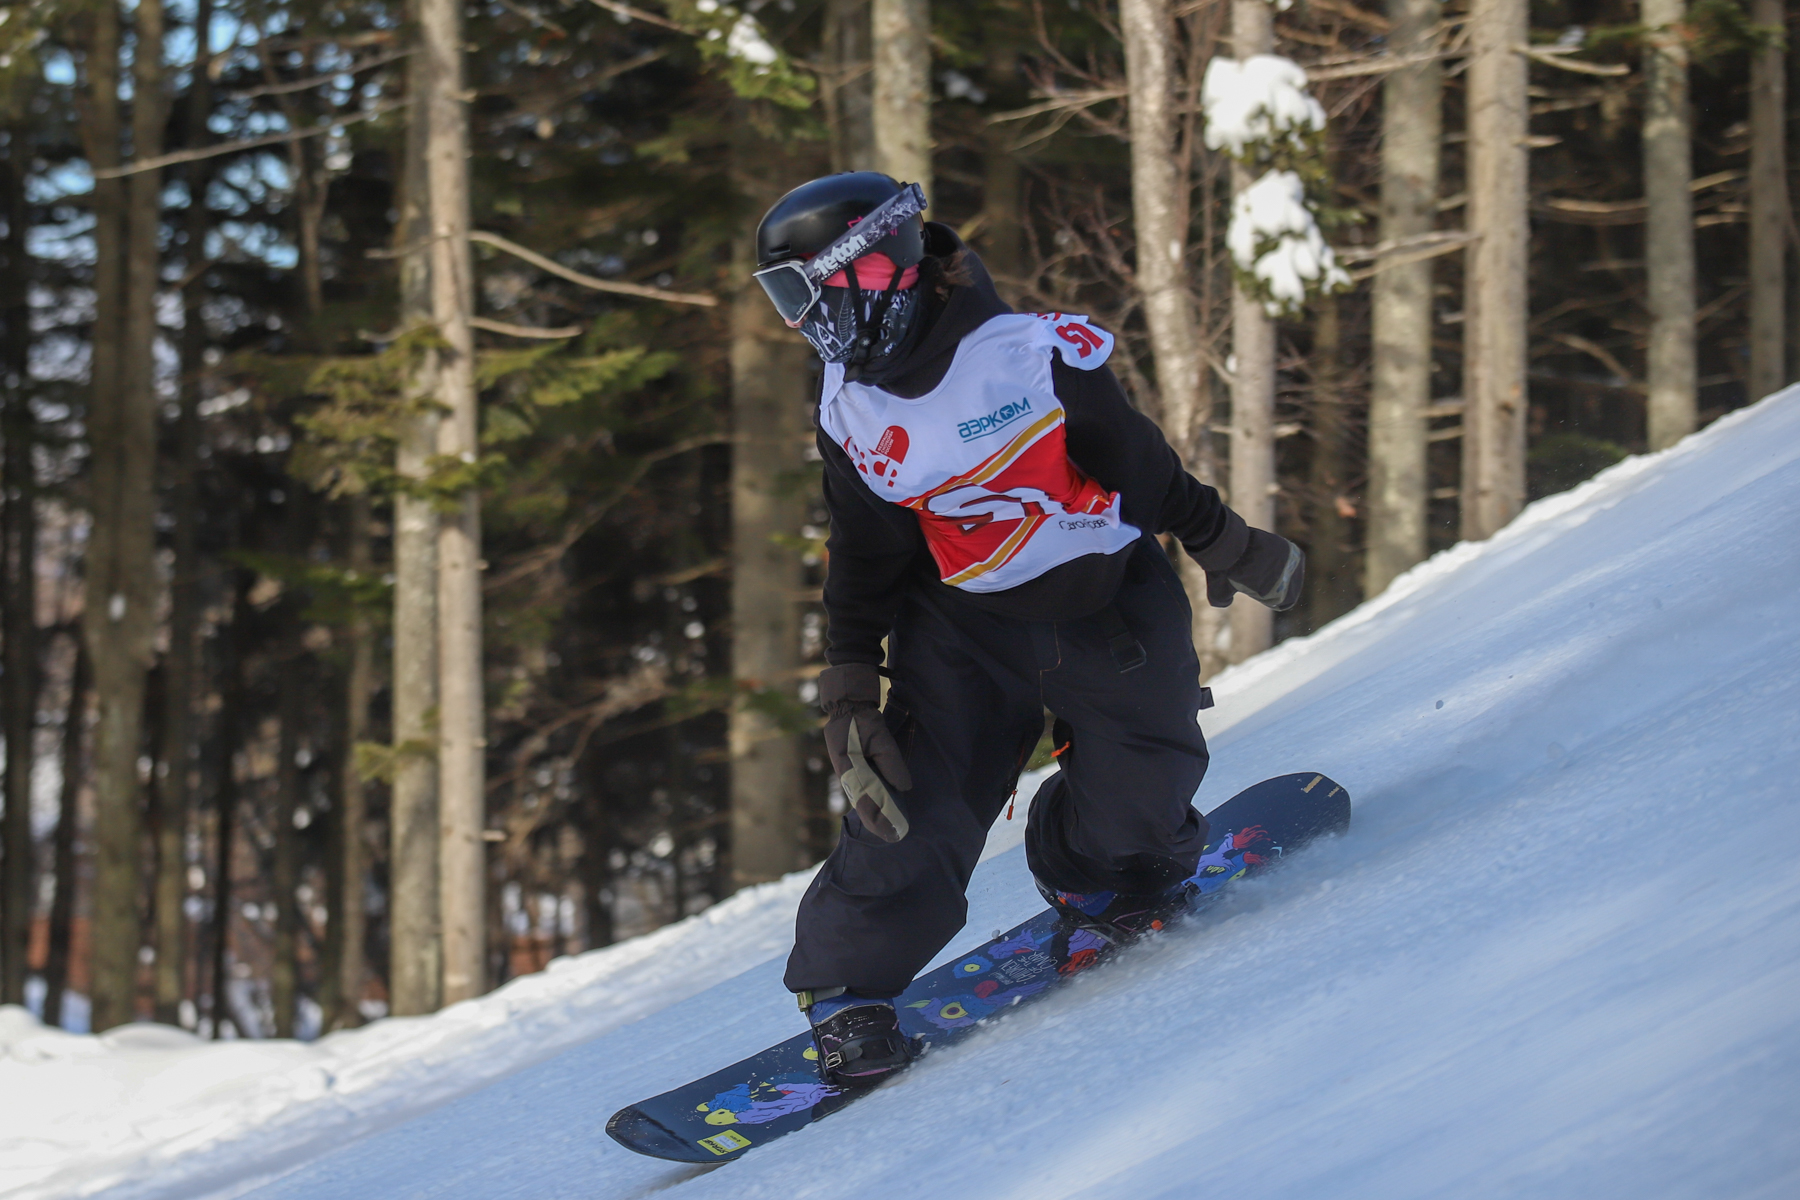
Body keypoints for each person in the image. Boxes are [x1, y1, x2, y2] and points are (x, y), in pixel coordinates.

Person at [751, 173, 1304, 1087]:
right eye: (785, 301)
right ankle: (851, 990)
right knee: (906, 802)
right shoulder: (850, 405)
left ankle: (1099, 868)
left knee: (1143, 789)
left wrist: (1227, 541)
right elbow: (867, 549)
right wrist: (851, 675)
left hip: (1106, 609)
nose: (804, 324)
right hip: (961, 631)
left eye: (808, 293)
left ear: (876, 269)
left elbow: (1139, 466)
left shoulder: (1029, 357)